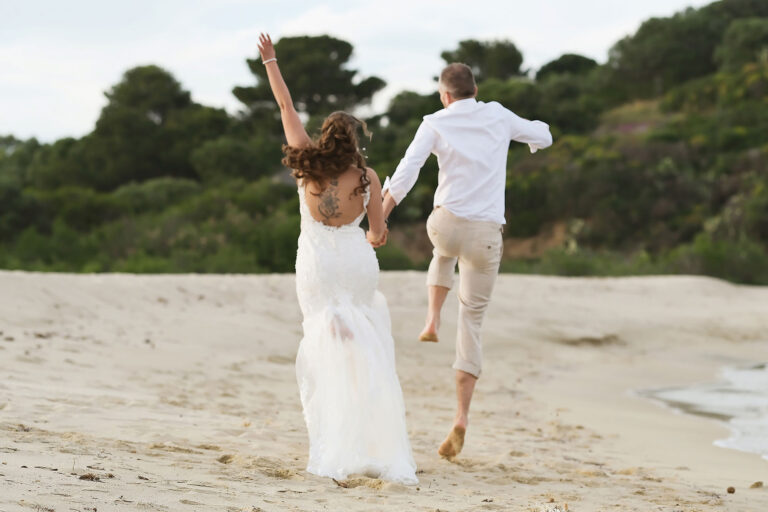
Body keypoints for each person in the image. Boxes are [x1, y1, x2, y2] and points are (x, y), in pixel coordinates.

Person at [257, 33, 417, 484]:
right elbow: (378, 230)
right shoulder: (366, 176)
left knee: (326, 340)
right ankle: (369, 433)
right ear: (355, 140)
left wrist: (271, 60)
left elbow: (286, 107)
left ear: (326, 137)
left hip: (318, 263)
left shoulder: (306, 163)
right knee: (363, 345)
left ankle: (336, 438)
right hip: (354, 259)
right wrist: (375, 234)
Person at [380, 62, 553, 460]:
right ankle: (460, 417)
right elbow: (543, 133)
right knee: (472, 320)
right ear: (476, 89)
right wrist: (531, 139)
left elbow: (407, 172)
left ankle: (431, 318)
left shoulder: (434, 122)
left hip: (446, 224)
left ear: (445, 95)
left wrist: (381, 218)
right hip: (486, 234)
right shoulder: (498, 114)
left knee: (443, 249)